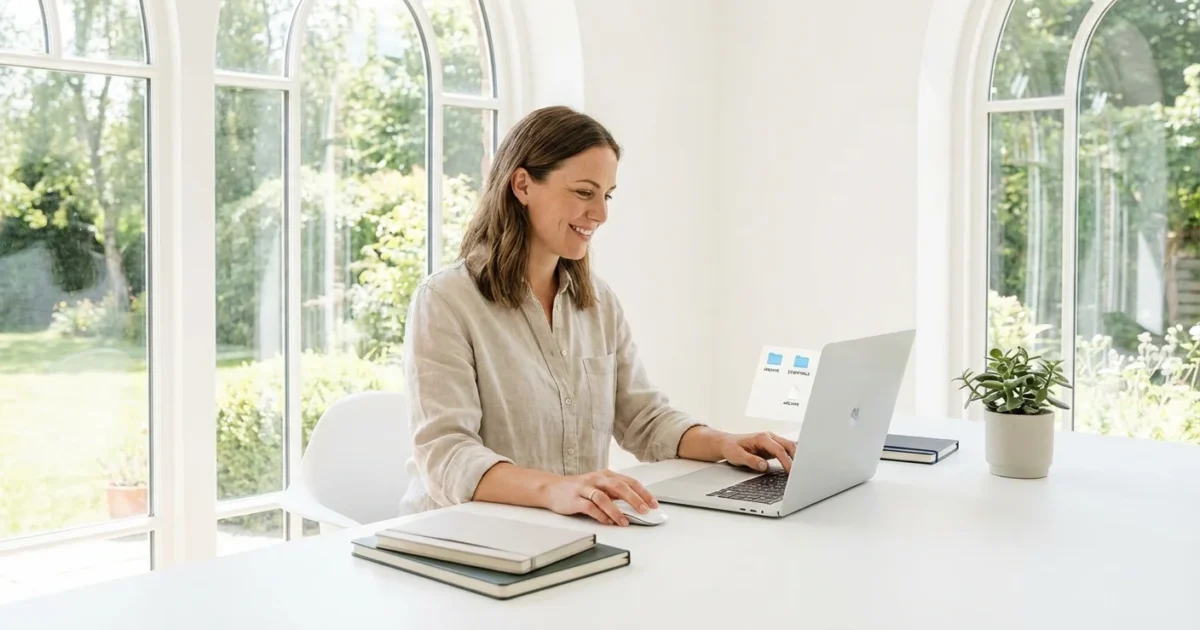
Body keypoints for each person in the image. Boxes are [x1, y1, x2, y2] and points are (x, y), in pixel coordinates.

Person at [399, 105, 796, 526]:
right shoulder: (445, 301)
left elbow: (643, 419)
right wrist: (555, 488)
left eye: (606, 196)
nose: (601, 215)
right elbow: (446, 456)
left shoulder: (598, 302)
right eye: (584, 192)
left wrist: (727, 443)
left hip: (570, 532)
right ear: (522, 185)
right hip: (462, 537)